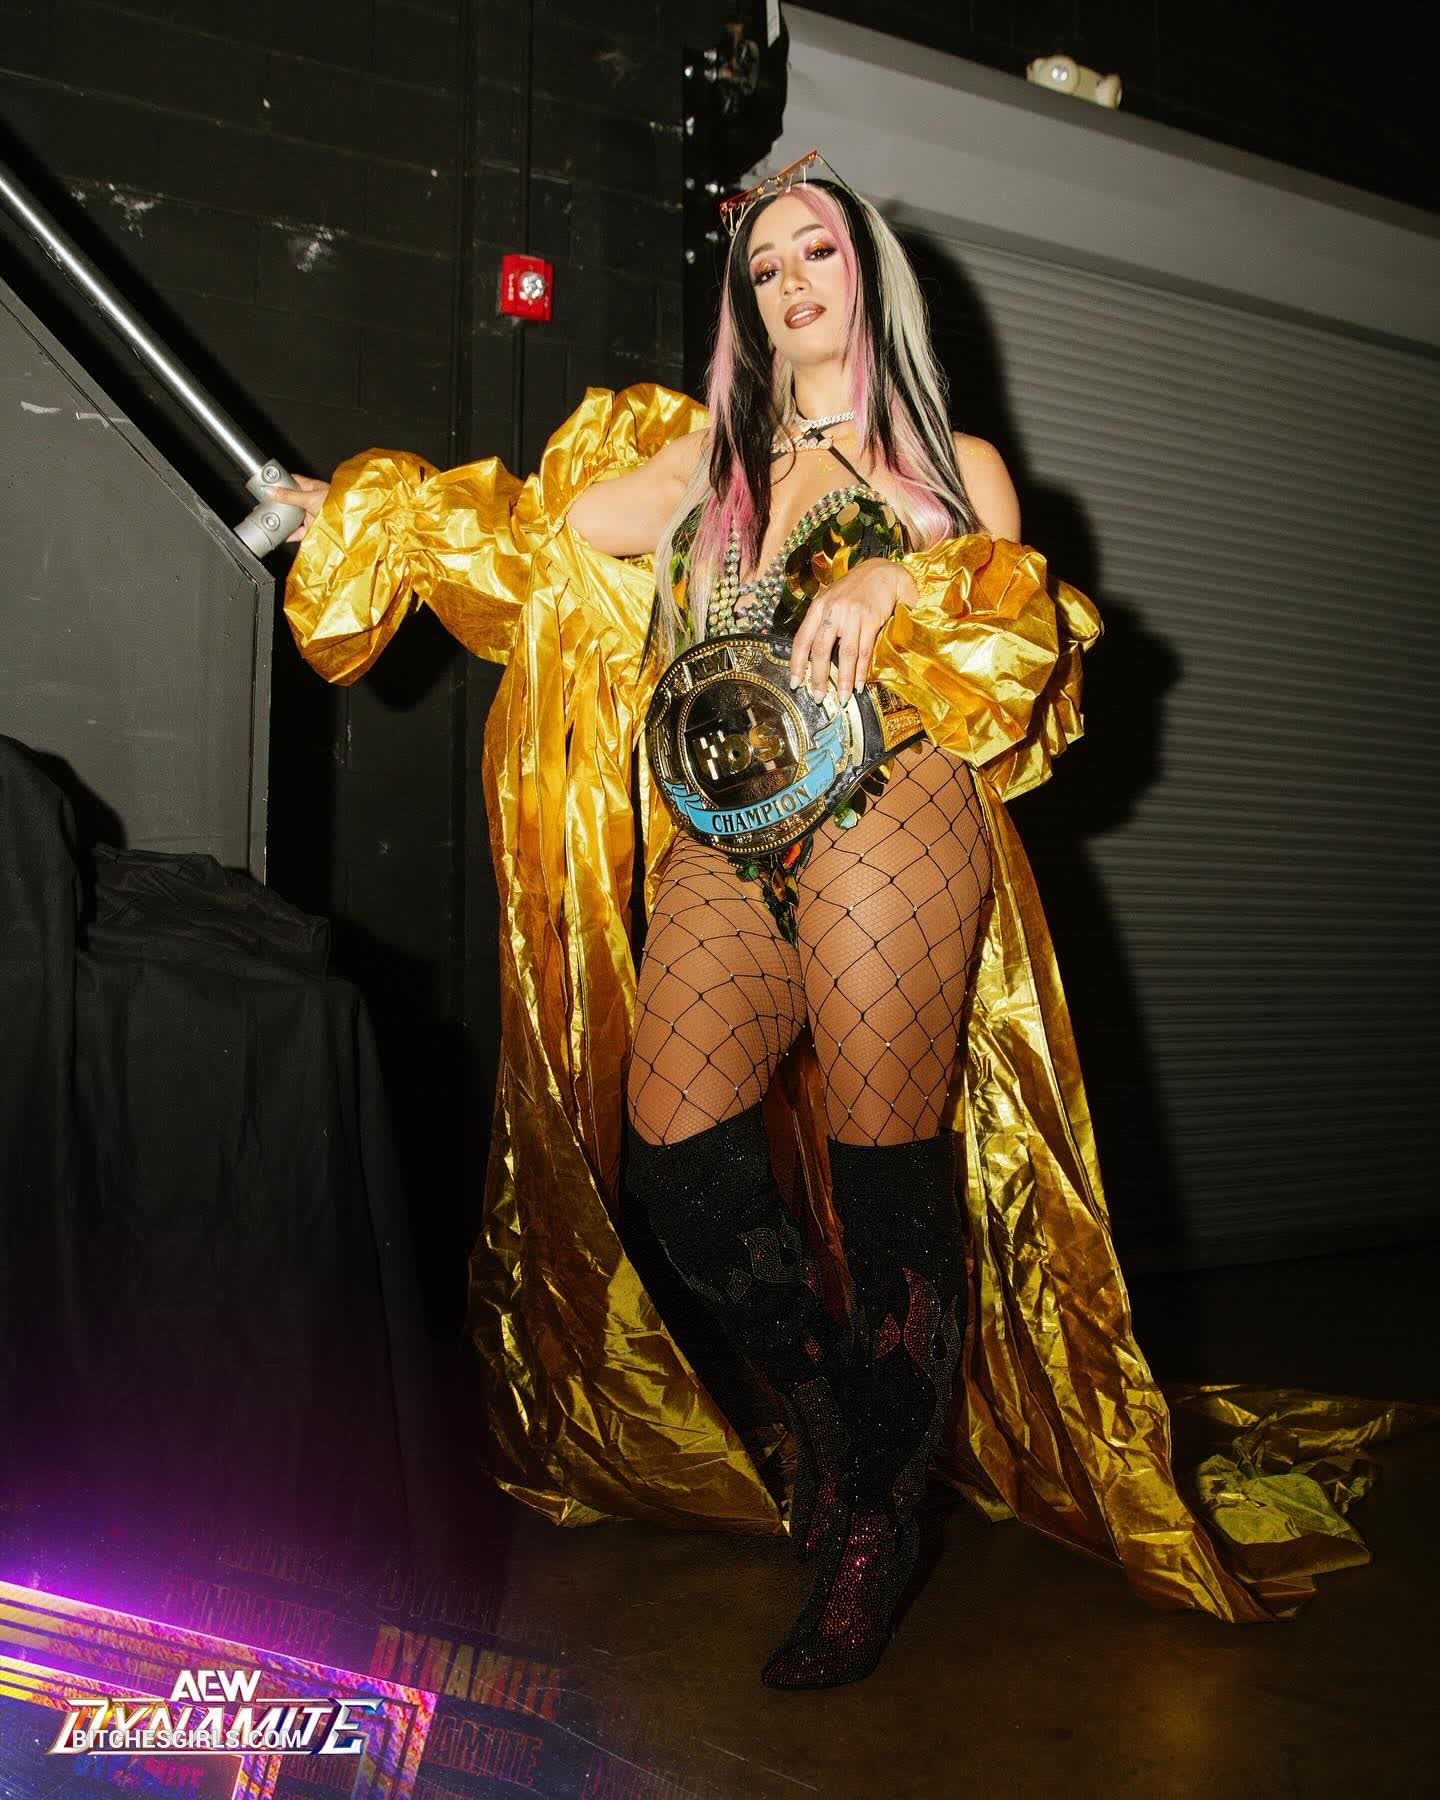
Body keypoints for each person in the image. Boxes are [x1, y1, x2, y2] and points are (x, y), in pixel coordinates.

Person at [276, 154, 1374, 1688]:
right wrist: (362, 512)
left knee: (882, 1177)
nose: (792, 282)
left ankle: (871, 1522)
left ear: (870, 276)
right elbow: (533, 534)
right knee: (674, 1151)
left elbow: (1014, 613)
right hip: (724, 838)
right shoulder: (706, 464)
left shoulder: (948, 466)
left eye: (819, 254)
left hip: (890, 818)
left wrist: (892, 591)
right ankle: (842, 1418)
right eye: (766, 268)